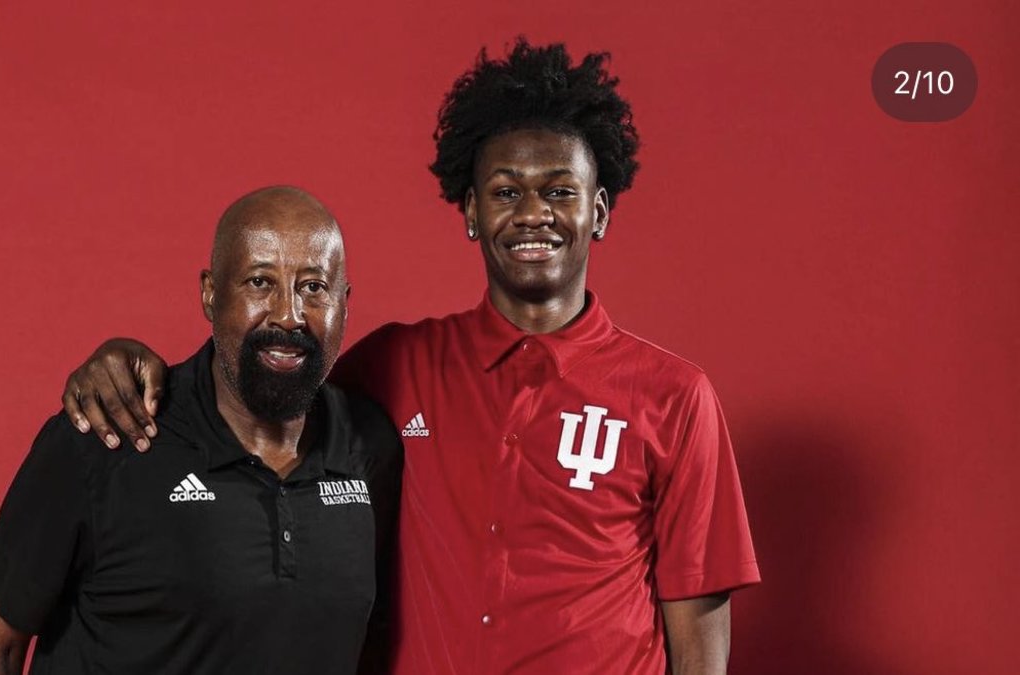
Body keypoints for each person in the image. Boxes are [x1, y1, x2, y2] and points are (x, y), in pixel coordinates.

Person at [62, 40, 760, 674]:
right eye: (505, 191)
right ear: (470, 212)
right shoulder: (398, 362)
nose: (532, 213)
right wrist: (127, 361)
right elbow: (265, 383)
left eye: (559, 191)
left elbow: (699, 644)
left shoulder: (675, 396)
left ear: (598, 211)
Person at [0, 187, 403, 675]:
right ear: (210, 294)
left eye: (313, 287)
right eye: (259, 282)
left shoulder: (370, 446)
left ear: (345, 303)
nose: (288, 314)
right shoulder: (109, 435)